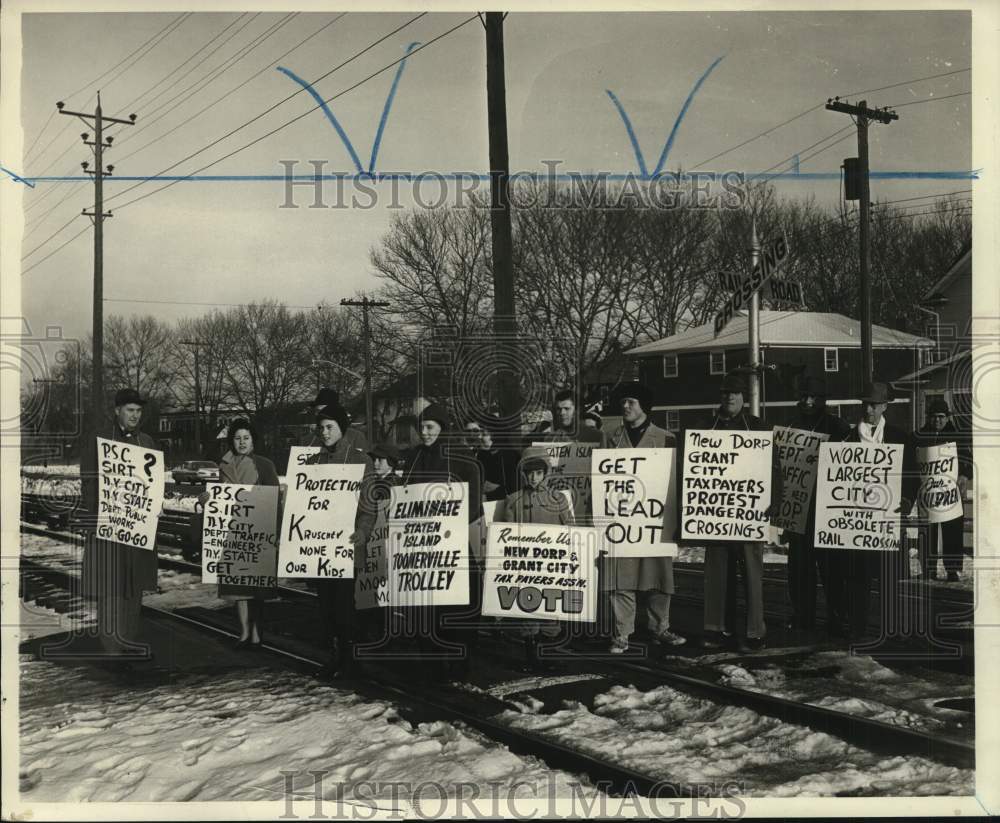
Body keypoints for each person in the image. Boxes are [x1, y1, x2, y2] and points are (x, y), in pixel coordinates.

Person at [693, 372, 782, 653]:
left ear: (744, 397)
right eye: (725, 393)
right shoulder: (705, 427)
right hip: (715, 513)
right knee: (717, 573)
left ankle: (755, 631)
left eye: (735, 393)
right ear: (719, 397)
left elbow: (774, 468)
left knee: (753, 574)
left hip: (748, 513)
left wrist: (775, 500)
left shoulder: (758, 427)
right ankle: (715, 628)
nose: (729, 397)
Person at [399, 403, 483, 679]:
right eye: (421, 428)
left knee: (460, 607)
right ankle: (432, 664)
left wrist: (453, 520)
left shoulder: (463, 457)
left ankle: (461, 662)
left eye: (429, 427)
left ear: (443, 429)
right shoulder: (413, 457)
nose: (423, 433)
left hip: (453, 542)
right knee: (425, 607)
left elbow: (472, 501)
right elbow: (406, 494)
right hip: (422, 547)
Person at [830, 382, 918, 642]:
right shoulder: (845, 438)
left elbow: (912, 475)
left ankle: (891, 629)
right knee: (858, 577)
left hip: (888, 517)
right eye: (866, 404)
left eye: (875, 404)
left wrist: (906, 498)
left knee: (890, 576)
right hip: (857, 521)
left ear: (885, 406)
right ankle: (858, 629)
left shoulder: (900, 437)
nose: (869, 409)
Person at [602, 382, 685, 653]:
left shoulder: (665, 437)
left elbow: (675, 482)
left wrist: (677, 521)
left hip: (655, 521)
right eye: (623, 402)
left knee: (658, 578)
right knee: (621, 579)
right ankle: (622, 633)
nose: (625, 406)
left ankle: (660, 628)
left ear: (643, 407)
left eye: (631, 402)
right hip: (622, 521)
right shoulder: (610, 437)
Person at [81, 388, 161, 660]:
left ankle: (127, 640)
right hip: (108, 523)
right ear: (117, 411)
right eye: (130, 410)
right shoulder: (100, 440)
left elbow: (154, 485)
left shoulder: (148, 442)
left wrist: (155, 507)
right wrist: (94, 516)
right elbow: (89, 481)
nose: (135, 416)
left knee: (134, 586)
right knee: (111, 586)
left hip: (137, 525)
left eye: (138, 411)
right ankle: (111, 648)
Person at [307, 400, 375, 679]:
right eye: (321, 428)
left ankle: (351, 658)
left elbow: (370, 505)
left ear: (342, 429)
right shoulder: (313, 462)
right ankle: (335, 655)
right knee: (325, 605)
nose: (324, 432)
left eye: (330, 427)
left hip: (347, 545)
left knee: (345, 604)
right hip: (320, 547)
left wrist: (363, 531)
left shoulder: (360, 460)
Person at [783, 375, 851, 635]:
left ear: (822, 400)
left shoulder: (838, 427)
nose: (808, 401)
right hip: (799, 510)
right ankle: (803, 616)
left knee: (833, 570)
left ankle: (837, 617)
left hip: (827, 510)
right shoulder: (791, 426)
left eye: (813, 397)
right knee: (799, 571)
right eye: (804, 397)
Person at [503, 446, 573, 671]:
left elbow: (571, 530)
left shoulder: (559, 499)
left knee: (552, 611)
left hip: (552, 567)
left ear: (546, 473)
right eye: (529, 473)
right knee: (528, 611)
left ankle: (550, 654)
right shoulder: (513, 501)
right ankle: (532, 658)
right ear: (523, 473)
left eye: (539, 473)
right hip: (526, 567)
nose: (534, 477)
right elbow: (506, 537)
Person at [214, 419, 280, 647]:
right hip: (233, 533)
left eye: (246, 438)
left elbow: (274, 499)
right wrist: (207, 499)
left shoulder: (264, 465)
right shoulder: (223, 466)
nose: (241, 442)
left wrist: (276, 530)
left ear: (253, 440)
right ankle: (243, 633)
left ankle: (257, 634)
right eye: (237, 438)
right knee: (237, 585)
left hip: (259, 533)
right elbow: (219, 499)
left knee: (257, 587)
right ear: (231, 441)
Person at [912, 399, 972, 582]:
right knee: (927, 531)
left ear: (947, 417)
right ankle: (929, 568)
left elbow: (969, 461)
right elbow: (912, 462)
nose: (937, 421)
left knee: (952, 531)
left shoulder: (958, 436)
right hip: (928, 492)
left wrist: (964, 476)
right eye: (933, 417)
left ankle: (953, 570)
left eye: (941, 417)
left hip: (950, 493)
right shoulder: (919, 436)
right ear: (928, 418)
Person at [474, 417, 520, 501]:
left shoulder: (509, 455)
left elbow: (515, 487)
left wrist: (496, 490)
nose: (479, 437)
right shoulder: (480, 454)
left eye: (484, 434)